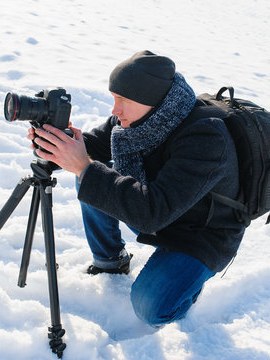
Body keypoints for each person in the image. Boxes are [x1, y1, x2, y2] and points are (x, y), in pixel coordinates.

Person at [27, 50, 245, 326]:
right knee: (91, 171)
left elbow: (151, 214)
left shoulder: (206, 137)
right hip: (160, 209)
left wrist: (82, 165)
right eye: (114, 98)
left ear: (152, 100)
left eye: (123, 101)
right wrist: (56, 141)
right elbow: (93, 146)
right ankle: (111, 260)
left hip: (202, 233)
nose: (114, 110)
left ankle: (187, 286)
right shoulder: (138, 118)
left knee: (150, 307)